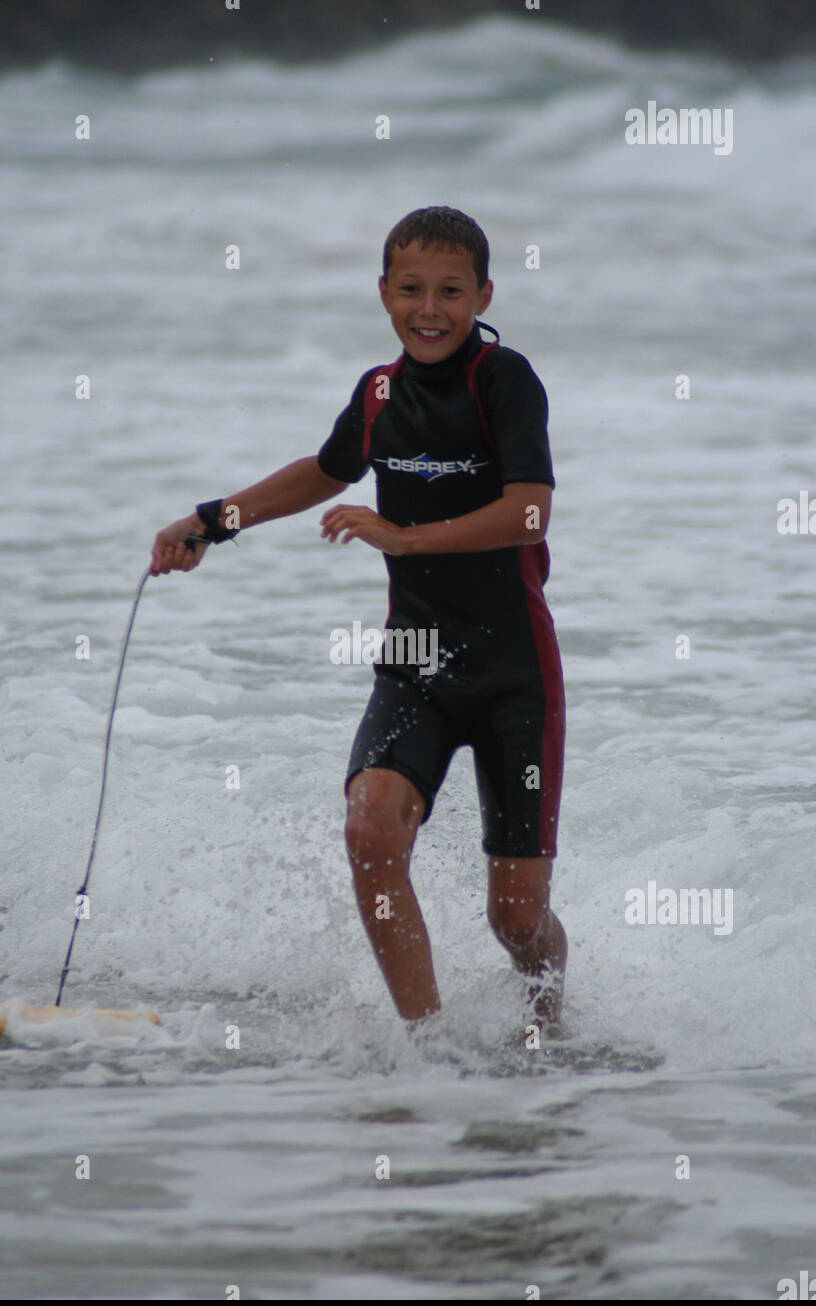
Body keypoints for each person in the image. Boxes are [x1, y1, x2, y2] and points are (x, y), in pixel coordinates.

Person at [150, 206, 566, 1036]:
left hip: (514, 672)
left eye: (452, 291)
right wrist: (212, 520)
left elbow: (530, 515)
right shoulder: (378, 394)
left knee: (516, 920)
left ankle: (553, 1025)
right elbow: (328, 471)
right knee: (370, 828)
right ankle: (430, 1044)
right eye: (411, 289)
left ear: (484, 293)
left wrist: (406, 537)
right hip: (414, 658)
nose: (430, 308)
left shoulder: (504, 379)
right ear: (383, 293)